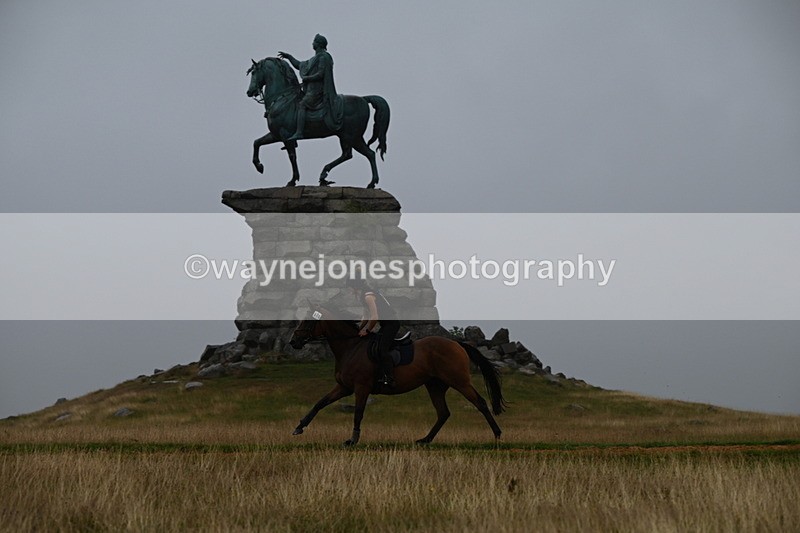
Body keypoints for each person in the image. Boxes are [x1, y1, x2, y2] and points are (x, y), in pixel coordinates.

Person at [277, 34, 343, 140]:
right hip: (310, 91)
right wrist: (289, 57)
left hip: (318, 91)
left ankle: (299, 132)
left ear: (318, 44)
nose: (312, 43)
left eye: (314, 41)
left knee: (302, 105)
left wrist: (307, 78)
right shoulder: (313, 59)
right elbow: (300, 65)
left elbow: (321, 73)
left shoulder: (324, 57)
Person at [347, 278, 399, 388]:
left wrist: (367, 330)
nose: (349, 290)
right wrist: (358, 329)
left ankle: (390, 378)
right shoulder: (364, 296)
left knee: (382, 349)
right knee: (373, 345)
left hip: (392, 324)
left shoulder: (368, 296)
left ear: (355, 287)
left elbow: (374, 317)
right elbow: (365, 317)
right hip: (385, 325)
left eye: (349, 288)